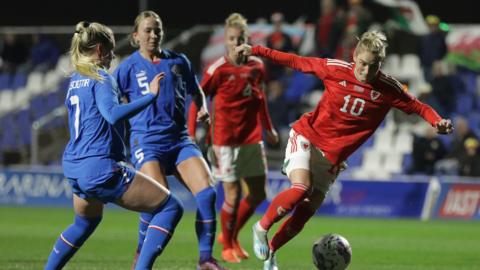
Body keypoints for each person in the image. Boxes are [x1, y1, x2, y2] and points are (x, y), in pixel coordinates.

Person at [235, 30, 453, 269]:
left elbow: (419, 107)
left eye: (374, 65)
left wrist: (437, 122)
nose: (366, 70)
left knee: (304, 215)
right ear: (354, 56)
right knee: (301, 188)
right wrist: (256, 50)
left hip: (333, 159)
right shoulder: (335, 68)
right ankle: (261, 226)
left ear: (380, 64)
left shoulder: (388, 88)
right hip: (307, 137)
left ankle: (272, 254)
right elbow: (295, 61)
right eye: (362, 63)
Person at [45, 21, 183, 270]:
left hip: (75, 166)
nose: (111, 57)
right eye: (109, 51)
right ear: (99, 50)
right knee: (170, 207)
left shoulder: (76, 79)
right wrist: (149, 96)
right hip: (99, 166)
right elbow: (112, 115)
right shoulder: (100, 77)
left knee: (84, 223)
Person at [112, 11, 225, 270]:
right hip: (147, 142)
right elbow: (112, 105)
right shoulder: (127, 68)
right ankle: (142, 253)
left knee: (207, 193)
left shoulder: (178, 61)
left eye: (157, 30)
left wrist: (203, 108)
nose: (153, 35)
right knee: (156, 202)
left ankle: (205, 259)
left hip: (179, 140)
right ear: (135, 36)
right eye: (148, 30)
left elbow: (196, 90)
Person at [188, 13, 279, 264]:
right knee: (233, 194)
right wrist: (190, 132)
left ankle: (232, 236)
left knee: (259, 194)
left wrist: (268, 128)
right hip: (224, 141)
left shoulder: (257, 67)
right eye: (232, 38)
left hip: (251, 138)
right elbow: (197, 98)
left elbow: (259, 100)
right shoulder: (217, 69)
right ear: (226, 41)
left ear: (247, 40)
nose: (237, 42)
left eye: (241, 38)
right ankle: (228, 245)